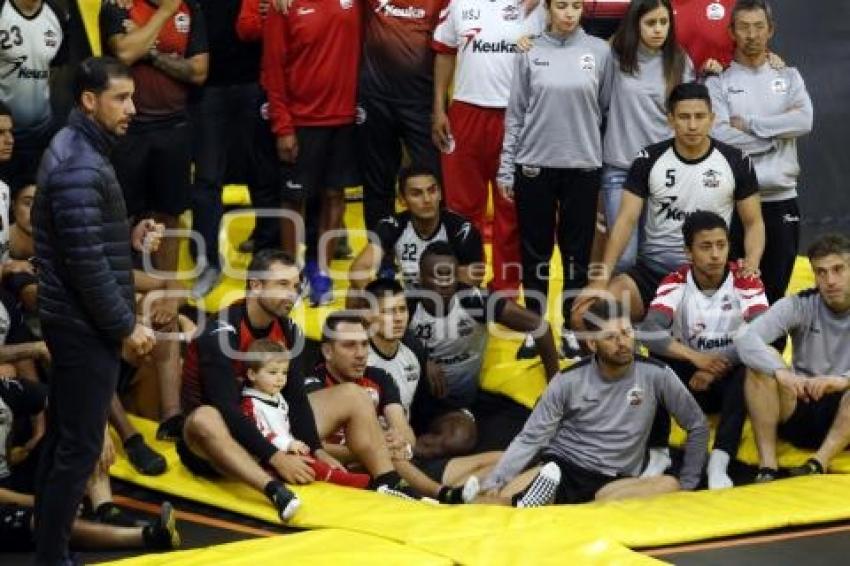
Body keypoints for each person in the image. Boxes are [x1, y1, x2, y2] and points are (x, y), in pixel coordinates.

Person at [179, 249, 421, 521]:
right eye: (282, 285)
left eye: (295, 286)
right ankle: (273, 489)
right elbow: (227, 409)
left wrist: (316, 450)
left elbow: (296, 399)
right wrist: (276, 458)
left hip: (269, 424)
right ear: (256, 286)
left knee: (353, 394)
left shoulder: (290, 330)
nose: (292, 294)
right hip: (218, 444)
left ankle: (387, 481)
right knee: (205, 418)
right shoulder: (221, 332)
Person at [31, 57, 157, 564]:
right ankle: (52, 557)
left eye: (132, 97)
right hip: (84, 327)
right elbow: (85, 265)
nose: (133, 109)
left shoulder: (76, 148)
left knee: (64, 437)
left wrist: (126, 238)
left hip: (73, 320)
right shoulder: (81, 163)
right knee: (80, 448)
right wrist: (125, 326)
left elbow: (81, 242)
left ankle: (47, 549)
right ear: (89, 100)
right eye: (121, 99)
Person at [479, 300, 709, 507]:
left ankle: (561, 508)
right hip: (562, 468)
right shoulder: (567, 380)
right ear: (591, 343)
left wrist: (689, 483)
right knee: (501, 502)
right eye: (610, 337)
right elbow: (531, 437)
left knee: (668, 484)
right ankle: (485, 497)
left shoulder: (657, 374)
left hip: (616, 479)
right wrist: (496, 482)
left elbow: (697, 424)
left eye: (626, 333)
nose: (622, 343)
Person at [574, 82, 765, 326]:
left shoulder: (737, 161)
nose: (693, 125)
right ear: (670, 120)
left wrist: (752, 261)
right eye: (684, 117)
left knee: (754, 330)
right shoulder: (649, 159)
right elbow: (625, 220)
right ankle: (629, 360)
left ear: (712, 119)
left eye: (699, 116)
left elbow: (754, 222)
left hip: (710, 277)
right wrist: (601, 278)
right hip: (652, 274)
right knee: (584, 316)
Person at [497, 0, 614, 360]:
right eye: (561, 5)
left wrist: (604, 167)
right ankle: (536, 328)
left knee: (577, 255)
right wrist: (506, 166)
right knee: (536, 254)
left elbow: (606, 110)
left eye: (576, 6)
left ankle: (571, 328)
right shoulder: (529, 50)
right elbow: (516, 112)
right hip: (534, 166)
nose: (569, 12)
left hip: (583, 167)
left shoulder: (599, 51)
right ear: (547, 9)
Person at [639, 211, 768, 488]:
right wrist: (696, 358)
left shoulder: (745, 278)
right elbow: (647, 331)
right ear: (688, 252)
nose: (715, 255)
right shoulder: (675, 281)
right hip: (688, 379)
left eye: (721, 245)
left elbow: (763, 332)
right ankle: (658, 451)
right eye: (706, 246)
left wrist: (713, 368)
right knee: (651, 361)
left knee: (754, 364)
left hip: (728, 374)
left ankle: (720, 460)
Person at [304, 311, 488, 504]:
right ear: (327, 352)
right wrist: (375, 448)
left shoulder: (379, 377)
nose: (360, 354)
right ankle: (440, 494)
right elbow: (311, 446)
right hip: (337, 467)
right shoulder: (311, 384)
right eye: (349, 345)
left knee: (494, 459)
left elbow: (405, 435)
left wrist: (397, 442)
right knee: (383, 449)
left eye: (365, 344)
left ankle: (440, 495)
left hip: (388, 463)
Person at [432, 0, 544, 298]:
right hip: (467, 112)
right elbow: (444, 53)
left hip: (518, 117)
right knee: (462, 208)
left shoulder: (538, 7)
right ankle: (469, 284)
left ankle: (505, 291)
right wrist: (439, 108)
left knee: (512, 209)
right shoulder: (458, 3)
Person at [707, 0, 813, 304]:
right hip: (735, 201)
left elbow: (803, 120)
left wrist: (752, 124)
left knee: (775, 294)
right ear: (731, 31)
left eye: (758, 27)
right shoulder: (719, 82)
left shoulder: (789, 76)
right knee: (732, 296)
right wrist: (773, 139)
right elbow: (720, 133)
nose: (751, 34)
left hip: (780, 199)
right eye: (743, 27)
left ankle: (771, 353)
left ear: (771, 30)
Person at [408, 242, 560, 454]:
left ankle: (404, 451)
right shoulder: (407, 304)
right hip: (406, 396)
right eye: (436, 277)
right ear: (420, 278)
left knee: (460, 439)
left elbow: (540, 327)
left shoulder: (474, 301)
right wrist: (420, 359)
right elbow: (373, 327)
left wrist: (557, 384)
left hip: (449, 407)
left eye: (449, 276)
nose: (444, 284)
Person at [0, 378, 181, 555]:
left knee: (82, 424)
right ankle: (148, 536)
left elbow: (77, 401)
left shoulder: (8, 388)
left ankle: (106, 510)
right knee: (44, 520)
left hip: (15, 478)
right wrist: (43, 503)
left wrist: (99, 431)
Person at [260, 0, 362, 305]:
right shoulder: (284, 7)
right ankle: (291, 274)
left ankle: (322, 271)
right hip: (301, 120)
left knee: (334, 196)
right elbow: (273, 68)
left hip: (344, 118)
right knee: (294, 200)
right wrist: (283, 126)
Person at [734, 234, 850, 482]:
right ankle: (767, 466)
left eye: (838, 270)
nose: (830, 280)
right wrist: (781, 371)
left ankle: (819, 462)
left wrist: (841, 381)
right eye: (821, 272)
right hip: (802, 402)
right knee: (759, 366)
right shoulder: (800, 304)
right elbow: (745, 338)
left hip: (845, 411)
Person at [603, 0, 694, 273]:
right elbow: (601, 105)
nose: (658, 30)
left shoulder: (680, 61)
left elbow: (688, 113)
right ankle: (617, 313)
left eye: (664, 23)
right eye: (650, 23)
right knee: (624, 257)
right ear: (635, 24)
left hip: (662, 173)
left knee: (654, 257)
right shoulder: (614, 57)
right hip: (620, 168)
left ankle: (649, 313)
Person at [356, 0, 445, 234]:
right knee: (377, 183)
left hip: (421, 102)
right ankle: (382, 257)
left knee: (432, 180)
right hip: (375, 100)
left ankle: (430, 249)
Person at [241, 339, 372, 490]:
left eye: (284, 373)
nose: (280, 378)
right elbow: (261, 434)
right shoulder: (250, 403)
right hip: (269, 457)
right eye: (272, 372)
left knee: (312, 459)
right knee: (313, 466)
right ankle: (345, 480)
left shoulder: (277, 397)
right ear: (252, 374)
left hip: (289, 449)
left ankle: (346, 477)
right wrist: (288, 444)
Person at [348, 166, 483, 292]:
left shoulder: (461, 229)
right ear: (402, 199)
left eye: (432, 190)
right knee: (354, 292)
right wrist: (380, 303)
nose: (427, 199)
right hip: (410, 303)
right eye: (416, 194)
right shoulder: (392, 225)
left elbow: (472, 279)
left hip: (449, 301)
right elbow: (358, 269)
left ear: (440, 194)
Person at [0, 0, 68, 180]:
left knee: (31, 197)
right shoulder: (3, 10)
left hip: (40, 132)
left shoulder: (56, 13)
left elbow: (55, 67)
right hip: (4, 134)